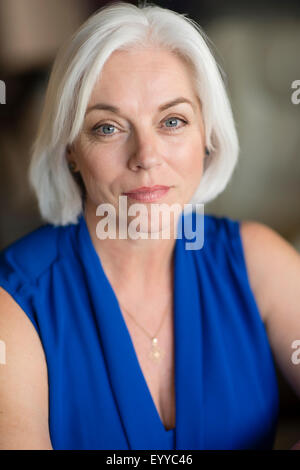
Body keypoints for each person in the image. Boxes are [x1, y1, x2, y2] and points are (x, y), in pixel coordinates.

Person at [0, 1, 299, 451]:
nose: (146, 156)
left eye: (172, 121)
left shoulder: (256, 260)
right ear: (70, 150)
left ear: (207, 135)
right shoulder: (16, 304)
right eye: (108, 127)